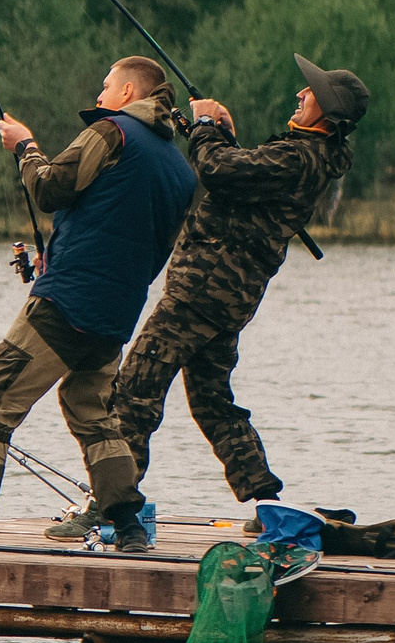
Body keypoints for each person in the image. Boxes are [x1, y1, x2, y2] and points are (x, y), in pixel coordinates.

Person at [0, 56, 197, 555]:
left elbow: (49, 188)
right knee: (93, 414)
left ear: (129, 93)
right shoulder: (180, 169)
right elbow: (144, 241)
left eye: (106, 86)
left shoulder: (112, 131)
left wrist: (25, 146)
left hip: (66, 302)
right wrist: (66, 253)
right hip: (116, 313)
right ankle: (129, 528)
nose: (100, 95)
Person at [75, 56, 367, 537]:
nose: (300, 94)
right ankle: (268, 503)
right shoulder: (304, 153)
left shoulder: (301, 156)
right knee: (213, 402)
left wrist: (207, 126)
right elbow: (241, 179)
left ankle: (111, 507)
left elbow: (216, 170)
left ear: (328, 113)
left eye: (311, 92)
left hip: (202, 290)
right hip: (227, 297)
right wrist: (223, 133)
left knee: (135, 390)